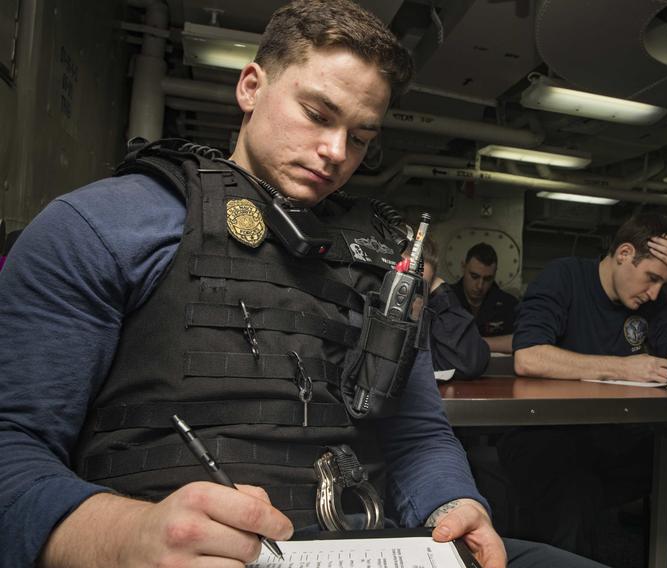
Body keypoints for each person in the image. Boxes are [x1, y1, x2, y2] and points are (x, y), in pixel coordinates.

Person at [0, 3, 604, 567]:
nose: (335, 152)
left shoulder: (386, 261)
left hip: (364, 547)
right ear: (251, 87)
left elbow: (417, 432)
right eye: (318, 115)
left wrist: (452, 504)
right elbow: (12, 446)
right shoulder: (104, 226)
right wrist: (125, 537)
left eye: (362, 138)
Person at [499, 214, 667, 567]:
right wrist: (620, 367)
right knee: (575, 491)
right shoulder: (565, 276)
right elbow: (528, 356)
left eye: (662, 284)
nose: (653, 292)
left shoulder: (653, 303)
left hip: (615, 435)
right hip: (546, 434)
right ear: (623, 253)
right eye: (651, 278)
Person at [419, 236, 491, 378]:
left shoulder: (429, 311)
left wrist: (438, 290)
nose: (480, 285)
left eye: (419, 289)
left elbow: (470, 363)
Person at [453, 242, 519, 353]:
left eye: (487, 279)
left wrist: (474, 344)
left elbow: (521, 341)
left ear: (495, 274)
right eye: (474, 276)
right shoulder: (446, 300)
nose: (480, 286)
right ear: (463, 267)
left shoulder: (509, 305)